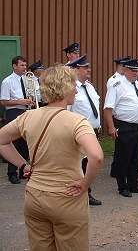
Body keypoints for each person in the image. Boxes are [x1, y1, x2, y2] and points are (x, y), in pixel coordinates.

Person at [0, 65, 103, 250]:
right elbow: (96, 156)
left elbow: (2, 140)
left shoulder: (28, 117)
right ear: (65, 88)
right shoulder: (77, 121)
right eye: (73, 84)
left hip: (34, 196)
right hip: (67, 197)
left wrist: (23, 166)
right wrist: (85, 184)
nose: (76, 88)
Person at [104, 59, 138, 197]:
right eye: (133, 70)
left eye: (137, 70)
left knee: (136, 157)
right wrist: (111, 127)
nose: (136, 73)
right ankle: (122, 186)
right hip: (125, 127)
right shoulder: (117, 85)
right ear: (125, 70)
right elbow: (108, 109)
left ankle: (133, 184)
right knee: (124, 157)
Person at [67, 55, 102, 206]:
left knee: (88, 164)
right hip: (79, 133)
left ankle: (86, 192)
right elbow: (66, 112)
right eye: (85, 67)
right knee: (77, 165)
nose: (89, 69)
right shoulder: (70, 88)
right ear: (75, 70)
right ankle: (79, 195)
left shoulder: (89, 86)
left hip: (93, 131)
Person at [0, 56, 33, 184]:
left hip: (27, 111)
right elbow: (3, 101)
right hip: (14, 112)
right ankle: (11, 173)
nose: (25, 67)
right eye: (22, 65)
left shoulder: (27, 80)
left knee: (25, 142)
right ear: (14, 66)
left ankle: (23, 171)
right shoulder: (7, 81)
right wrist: (20, 101)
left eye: (25, 65)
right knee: (14, 143)